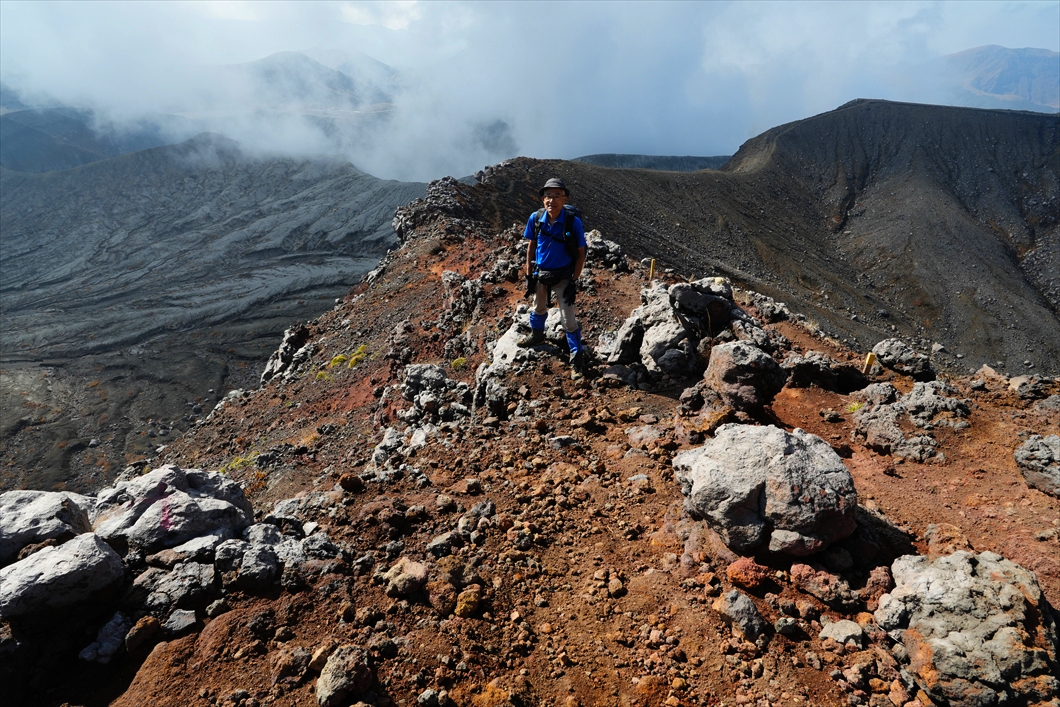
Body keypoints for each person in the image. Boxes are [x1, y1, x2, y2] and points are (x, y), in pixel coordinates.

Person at [518, 177, 589, 379]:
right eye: (548, 196)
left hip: (564, 276)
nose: (552, 200)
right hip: (541, 273)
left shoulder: (572, 222)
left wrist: (574, 280)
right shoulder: (536, 218)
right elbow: (531, 246)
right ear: (543, 200)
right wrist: (528, 274)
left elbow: (581, 253)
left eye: (557, 196)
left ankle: (576, 359)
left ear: (565, 199)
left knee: (569, 320)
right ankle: (537, 336)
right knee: (538, 308)